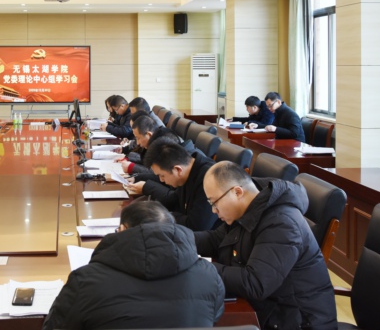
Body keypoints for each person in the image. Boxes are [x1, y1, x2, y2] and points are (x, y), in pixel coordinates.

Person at [195, 161, 337, 330]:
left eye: (214, 202)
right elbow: (215, 239)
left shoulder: (282, 222)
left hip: (299, 321)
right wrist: (176, 240)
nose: (213, 210)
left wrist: (198, 266)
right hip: (268, 309)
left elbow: (255, 283)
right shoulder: (248, 208)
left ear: (237, 192)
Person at [42, 201, 225, 330]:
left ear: (123, 229)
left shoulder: (85, 281)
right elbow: (213, 317)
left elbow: (56, 326)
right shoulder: (209, 277)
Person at [126, 139, 217, 231]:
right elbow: (175, 200)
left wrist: (163, 217)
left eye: (162, 176)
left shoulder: (209, 178)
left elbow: (196, 226)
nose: (161, 180)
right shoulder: (187, 169)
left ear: (178, 170)